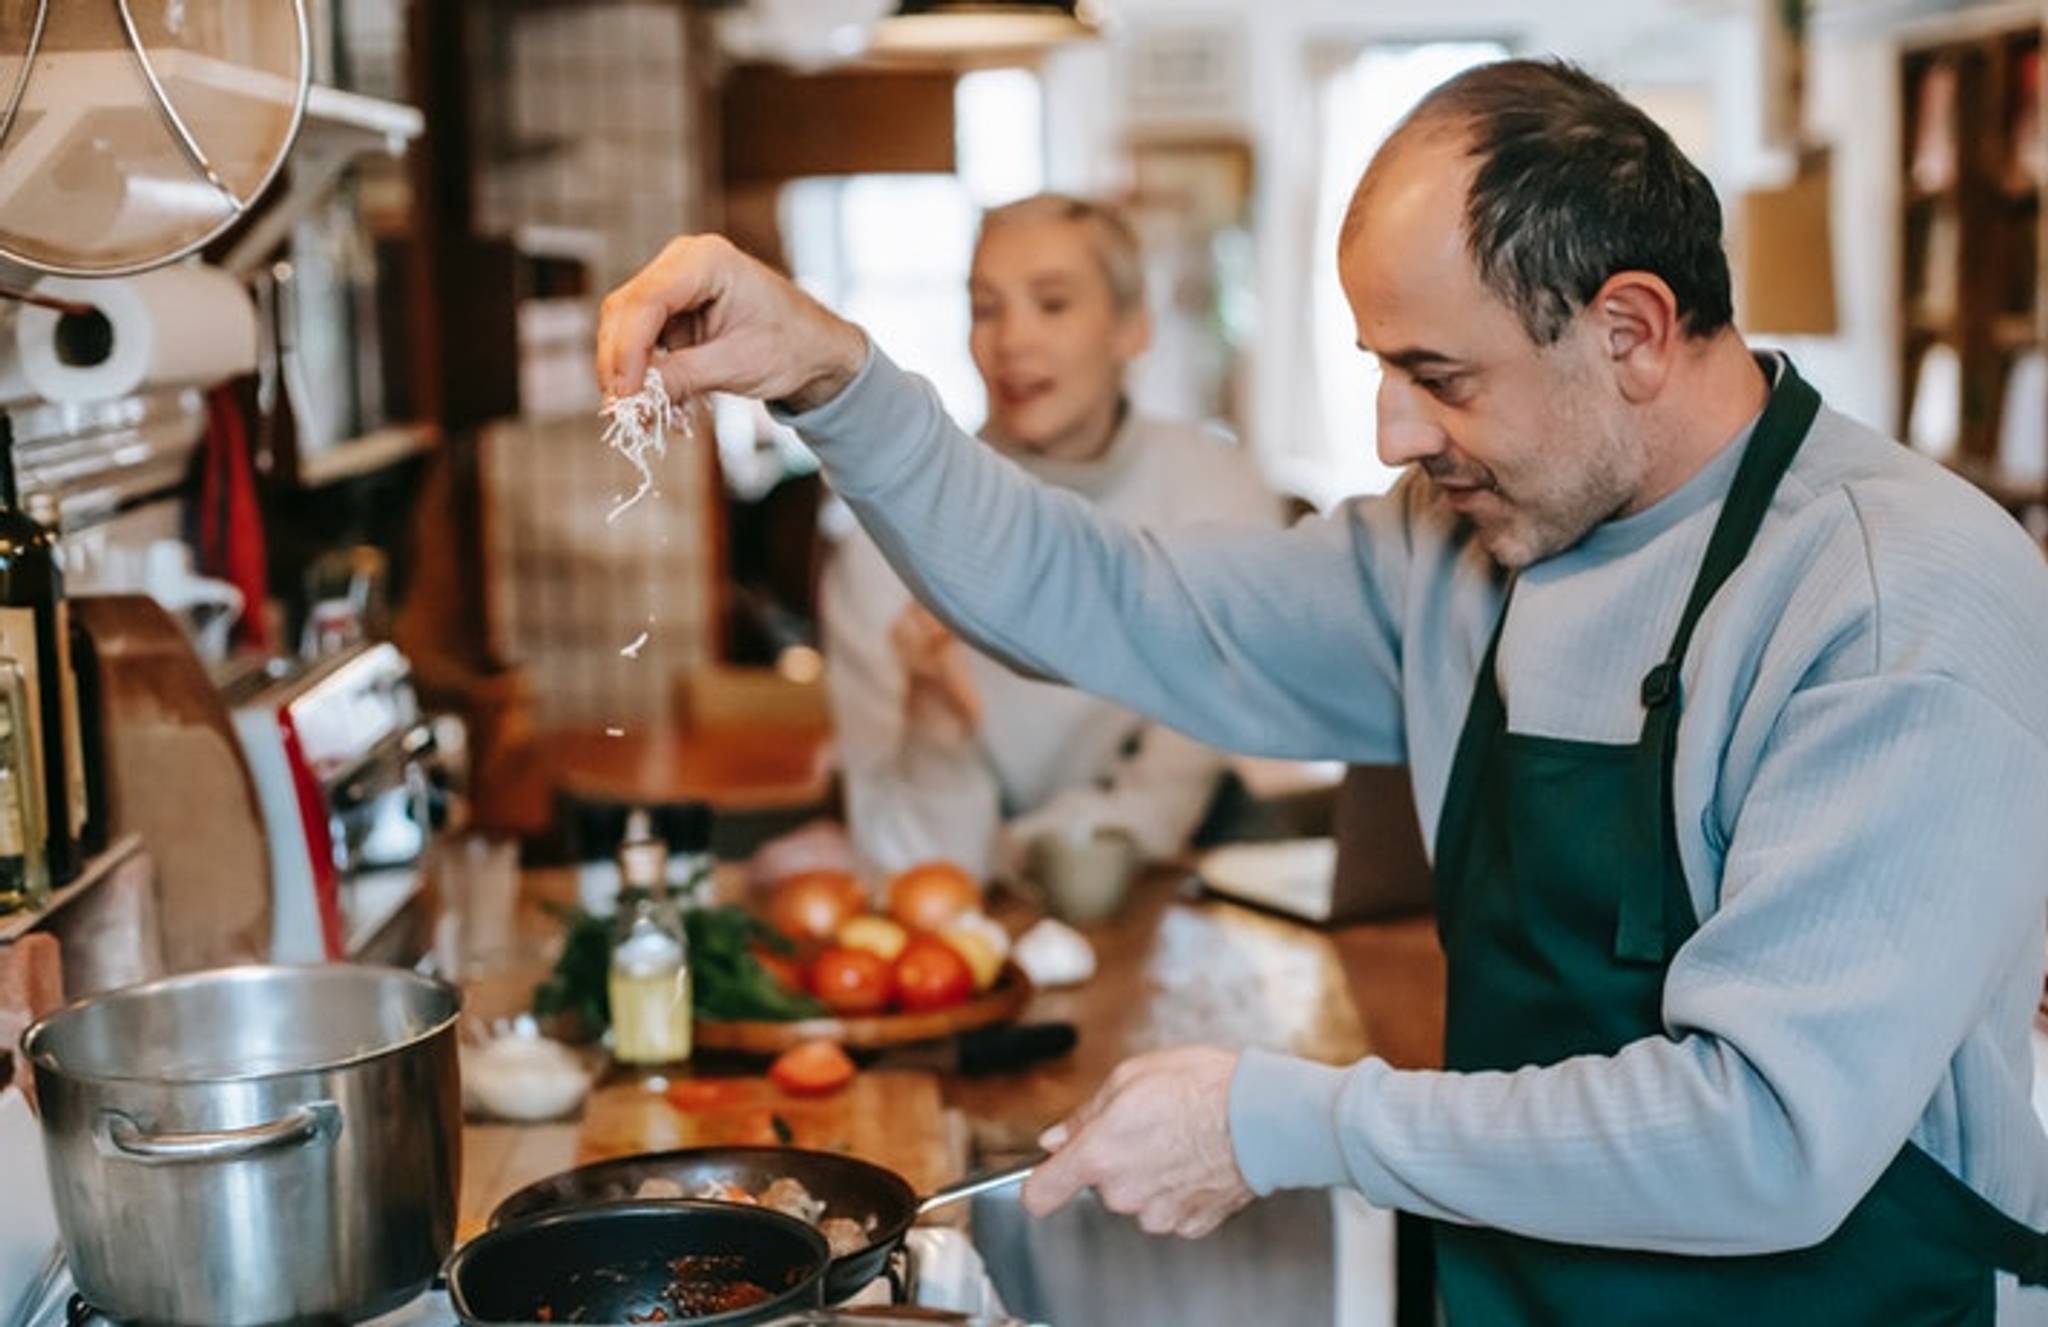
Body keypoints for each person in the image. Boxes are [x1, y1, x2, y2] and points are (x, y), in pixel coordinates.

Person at [598, 59, 2048, 1324]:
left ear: (1632, 330)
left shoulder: (1892, 600)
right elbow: (1110, 598)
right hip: (1510, 1286)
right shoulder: (1457, 552)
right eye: (1379, 367)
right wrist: (835, 381)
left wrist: (1288, 1115)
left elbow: (1770, 1135)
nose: (1391, 430)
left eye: (1439, 375)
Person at [820, 192, 1277, 879]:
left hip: (1150, 893)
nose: (1012, 341)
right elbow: (910, 861)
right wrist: (937, 732)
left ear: (1133, 327)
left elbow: (1170, 787)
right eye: (986, 308)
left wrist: (1033, 852)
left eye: (1053, 303)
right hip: (966, 925)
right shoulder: (885, 540)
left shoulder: (1218, 493)